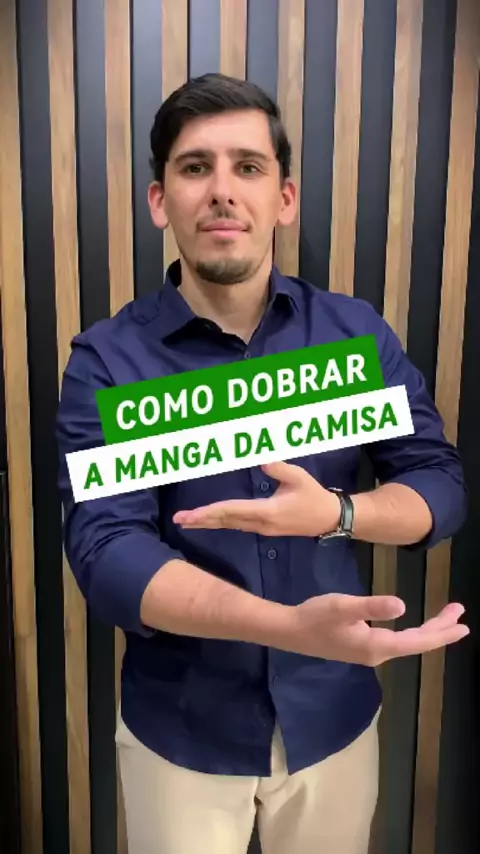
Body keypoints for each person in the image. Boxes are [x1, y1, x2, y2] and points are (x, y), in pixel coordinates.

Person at [56, 73, 469, 854]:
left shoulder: (353, 337)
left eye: (247, 166)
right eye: (195, 167)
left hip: (334, 724)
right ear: (160, 200)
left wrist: (341, 513)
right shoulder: (107, 362)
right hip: (181, 733)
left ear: (283, 198)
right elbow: (107, 552)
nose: (222, 190)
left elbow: (437, 482)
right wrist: (288, 628)